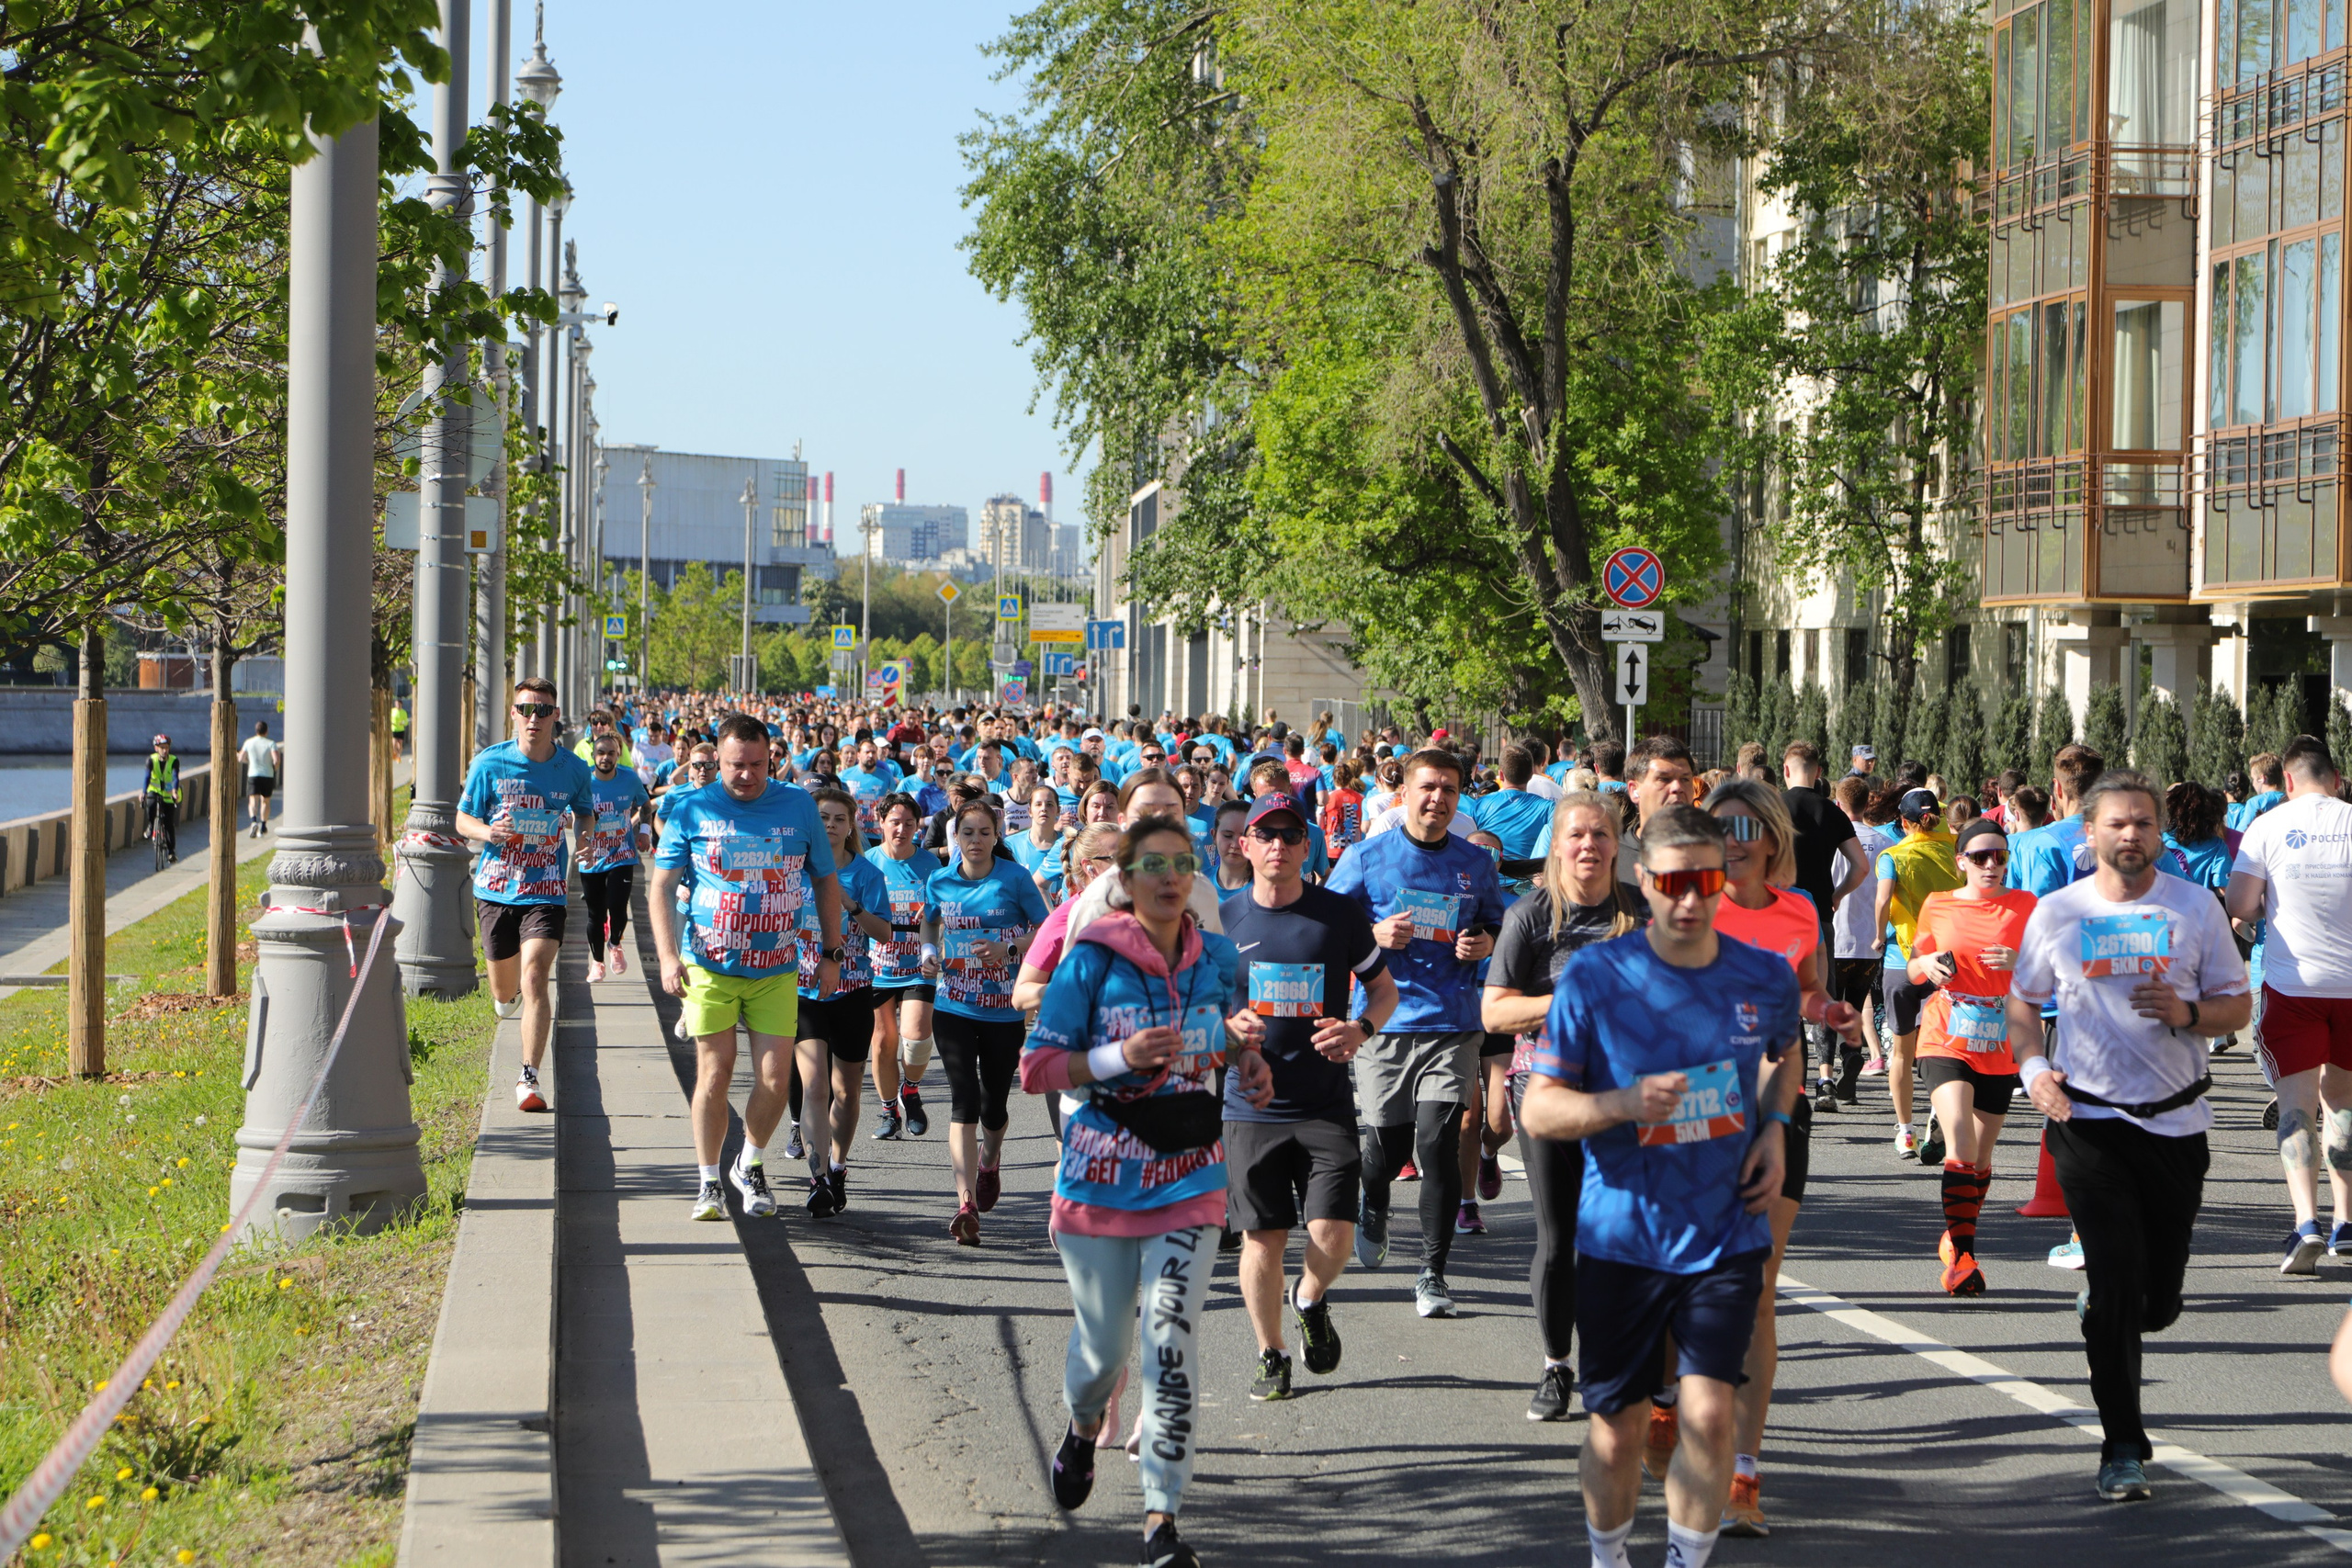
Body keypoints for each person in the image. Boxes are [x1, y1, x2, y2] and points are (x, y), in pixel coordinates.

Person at [1521, 805, 1798, 1568]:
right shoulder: (1597, 978)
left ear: (1725, 878)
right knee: (1620, 1430)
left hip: (1726, 1232)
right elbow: (1539, 1106)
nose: (1689, 896)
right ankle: (1609, 1557)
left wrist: (1774, 1126)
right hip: (1623, 1238)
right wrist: (1618, 1104)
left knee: (1709, 1417)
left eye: (1705, 879)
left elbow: (1785, 1052)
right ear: (1644, 881)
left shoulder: (1763, 975)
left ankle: (1684, 1558)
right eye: (1672, 881)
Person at [1023, 816, 1270, 1568]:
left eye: (1182, 864)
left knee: (1171, 1346)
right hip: (1100, 1175)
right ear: (1124, 883)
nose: (1169, 877)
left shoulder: (1219, 958)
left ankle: (1161, 1522)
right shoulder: (1090, 960)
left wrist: (1249, 1057)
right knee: (1104, 1350)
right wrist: (1115, 1055)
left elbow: (1234, 1043)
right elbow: (1038, 1067)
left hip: (1189, 1175)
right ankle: (1083, 1421)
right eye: (1152, 865)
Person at [2008, 769, 2251, 1502]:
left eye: (2144, 822)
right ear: (2090, 834)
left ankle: (2124, 1308)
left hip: (2176, 1120)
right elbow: (2022, 1004)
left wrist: (2186, 1013)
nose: (2132, 833)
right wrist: (2031, 1068)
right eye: (2117, 822)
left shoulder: (2195, 909)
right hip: (2088, 1122)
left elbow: (2236, 1005)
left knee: (2159, 1301)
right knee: (2114, 1284)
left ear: (2158, 832)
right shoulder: (2057, 912)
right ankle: (2123, 1445)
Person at [1700, 778, 1859, 1537]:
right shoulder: (1688, 903)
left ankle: (1744, 1475)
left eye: (1742, 827)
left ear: (1769, 837)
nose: (1731, 840)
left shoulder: (1799, 911)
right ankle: (1668, 1403)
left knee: (1758, 1290)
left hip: (1777, 1106)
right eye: (1718, 827)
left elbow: (1806, 991)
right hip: (1696, 1113)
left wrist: (1831, 1011)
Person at [1221, 792, 1399, 1402]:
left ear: (1305, 847)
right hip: (1250, 1104)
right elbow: (1192, 1003)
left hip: (1324, 1100)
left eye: (1289, 836)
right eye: (1264, 835)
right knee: (1262, 1237)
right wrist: (1226, 1025)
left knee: (1333, 1232)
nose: (1277, 845)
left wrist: (1360, 1030)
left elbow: (1383, 992)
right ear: (1244, 846)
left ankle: (1310, 1297)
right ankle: (1271, 1352)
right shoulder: (1221, 921)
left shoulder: (1339, 916)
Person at [1326, 748, 1507, 1319]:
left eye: (1450, 790)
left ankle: (1433, 1273)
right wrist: (1374, 933)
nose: (1438, 799)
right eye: (1428, 787)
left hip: (1453, 1022)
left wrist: (1485, 943)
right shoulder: (1366, 856)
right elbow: (1329, 929)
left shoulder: (1475, 864)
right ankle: (1373, 1199)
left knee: (1438, 1142)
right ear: (1402, 792)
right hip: (1386, 1022)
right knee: (1384, 1153)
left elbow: (1497, 924)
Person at [650, 712, 846, 1222]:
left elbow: (826, 880)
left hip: (778, 967)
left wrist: (831, 951)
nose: (747, 775)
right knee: (715, 1075)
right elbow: (661, 886)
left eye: (757, 764)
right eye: (737, 765)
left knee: (776, 1080)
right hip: (710, 966)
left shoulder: (798, 805)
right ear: (718, 758)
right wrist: (668, 957)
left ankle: (749, 1163)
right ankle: (709, 1180)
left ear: (771, 759)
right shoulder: (690, 809)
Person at [1484, 792, 1639, 1422]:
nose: (1589, 845)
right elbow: (1494, 1011)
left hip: (1623, 1092)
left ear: (1615, 843)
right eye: (1576, 834)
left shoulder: (1640, 914)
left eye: (1600, 834)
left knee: (1620, 1234)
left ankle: (1620, 1358)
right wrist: (1571, 1002)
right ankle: (1556, 1365)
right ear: (1557, 844)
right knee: (1560, 1237)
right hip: (1545, 1088)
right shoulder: (1530, 914)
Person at [2226, 734, 2352, 1273]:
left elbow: (2239, 904)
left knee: (2296, 1104)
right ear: (2338, 781)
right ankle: (2347, 1224)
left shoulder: (2268, 826)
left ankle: (2306, 1223)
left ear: (2289, 781)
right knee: (2343, 1104)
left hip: (2292, 986)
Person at [1906, 819, 2035, 1295]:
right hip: (1946, 1037)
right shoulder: (1938, 904)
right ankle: (1963, 1259)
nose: (1990, 865)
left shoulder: (2026, 906)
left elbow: (2054, 968)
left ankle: (1955, 1233)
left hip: (2000, 1044)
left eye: (1999, 856)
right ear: (1960, 860)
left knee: (1980, 1161)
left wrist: (2021, 963)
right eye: (1979, 857)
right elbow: (1917, 968)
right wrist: (1927, 965)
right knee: (1959, 1145)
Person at [456, 679, 597, 1111]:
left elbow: (585, 811)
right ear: (513, 713)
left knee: (535, 975)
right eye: (525, 709)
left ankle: (529, 1078)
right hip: (496, 889)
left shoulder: (574, 769)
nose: (533, 718)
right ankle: (506, 997)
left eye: (543, 710)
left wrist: (586, 839)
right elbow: (462, 820)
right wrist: (487, 830)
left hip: (546, 890)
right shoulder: (489, 763)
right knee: (505, 992)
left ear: (556, 716)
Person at [920, 798, 1052, 1244]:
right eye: (967, 833)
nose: (975, 841)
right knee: (964, 1102)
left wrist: (1009, 949)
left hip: (1003, 1008)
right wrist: (929, 952)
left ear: (997, 836)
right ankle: (965, 1202)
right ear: (954, 838)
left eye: (983, 832)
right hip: (953, 1005)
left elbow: (1046, 928)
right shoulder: (939, 880)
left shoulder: (1014, 878)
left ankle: (990, 1160)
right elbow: (929, 926)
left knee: (994, 1106)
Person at [790, 787, 895, 1211]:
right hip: (803, 992)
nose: (830, 825)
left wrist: (850, 905)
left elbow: (885, 934)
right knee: (814, 1085)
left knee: (847, 1093)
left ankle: (838, 1164)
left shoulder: (867, 875)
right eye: (823, 818)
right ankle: (817, 1180)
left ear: (851, 826)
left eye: (838, 819)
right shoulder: (793, 869)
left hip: (852, 993)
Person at [1873, 786, 1963, 1162]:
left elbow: (1882, 901)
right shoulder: (1956, 851)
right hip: (1949, 962)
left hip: (1903, 960)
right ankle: (1939, 1112)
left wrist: (1878, 937)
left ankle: (1905, 1131)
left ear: (1905, 822)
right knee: (1946, 1051)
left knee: (1902, 1053)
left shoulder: (1893, 856)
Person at [865, 795, 941, 1142]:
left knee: (916, 1035)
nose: (902, 829)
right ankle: (887, 1110)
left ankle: (910, 1090)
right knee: (883, 1043)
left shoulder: (930, 866)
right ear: (880, 822)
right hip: (876, 966)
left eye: (909, 823)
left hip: (917, 964)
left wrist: (933, 924)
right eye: (895, 821)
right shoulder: (867, 862)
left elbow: (944, 912)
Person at [1825, 777, 1894, 1100]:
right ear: (1868, 804)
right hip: (1870, 941)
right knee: (1854, 1004)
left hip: (1835, 936)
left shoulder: (1833, 842)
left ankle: (1834, 1067)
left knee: (1828, 1005)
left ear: (1839, 804)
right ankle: (1852, 1056)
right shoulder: (1884, 843)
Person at [579, 732, 651, 984]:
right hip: (591, 858)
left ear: (618, 755)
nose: (606, 758)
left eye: (611, 753)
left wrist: (644, 831)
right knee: (595, 914)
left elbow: (645, 804)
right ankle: (597, 963)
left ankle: (615, 943)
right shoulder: (583, 780)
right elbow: (569, 814)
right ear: (593, 756)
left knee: (618, 908)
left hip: (622, 854)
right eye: (601, 753)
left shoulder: (630, 779)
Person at [142, 733, 181, 863]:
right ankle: (151, 825)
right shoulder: (151, 760)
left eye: (166, 747)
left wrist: (175, 791)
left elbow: (175, 776)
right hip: (154, 790)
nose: (164, 750)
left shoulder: (174, 760)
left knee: (169, 822)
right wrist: (143, 792)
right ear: (156, 748)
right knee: (151, 805)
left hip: (170, 792)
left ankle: (171, 852)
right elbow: (147, 777)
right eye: (162, 747)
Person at [240, 721, 281, 836]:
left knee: (253, 800)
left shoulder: (249, 742)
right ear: (266, 731)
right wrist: (275, 768)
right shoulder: (271, 743)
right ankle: (263, 826)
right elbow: (276, 760)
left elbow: (241, 758)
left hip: (253, 774)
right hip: (267, 775)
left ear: (256, 730)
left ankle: (253, 822)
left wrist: (248, 761)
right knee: (265, 801)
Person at [389, 697, 408, 762]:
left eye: (399, 704)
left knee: (400, 744)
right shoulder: (392, 711)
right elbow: (389, 718)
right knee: (394, 744)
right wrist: (391, 722)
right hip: (394, 729)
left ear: (401, 704)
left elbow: (406, 721)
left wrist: (402, 722)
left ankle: (398, 756)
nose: (397, 705)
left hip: (401, 730)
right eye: (396, 704)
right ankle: (395, 753)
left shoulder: (404, 712)